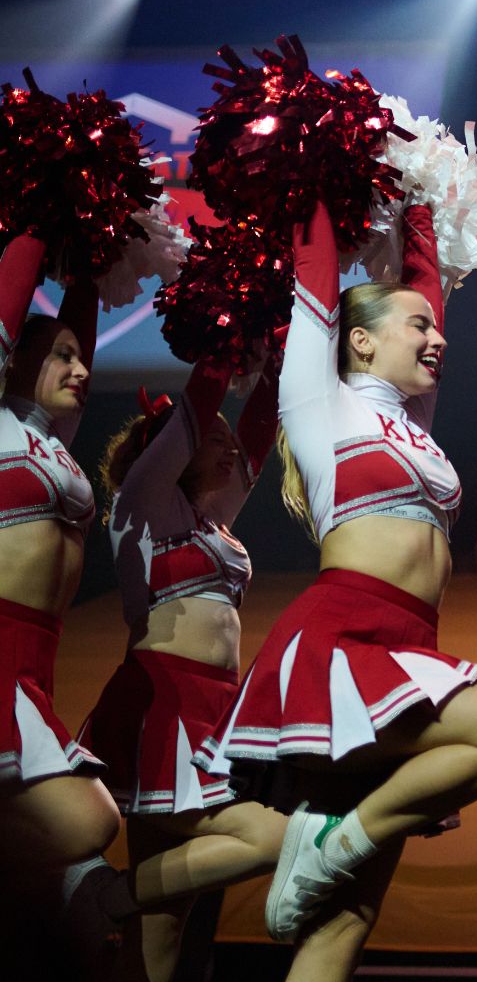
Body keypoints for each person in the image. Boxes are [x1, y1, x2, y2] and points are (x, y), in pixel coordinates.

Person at [196, 199, 477, 975]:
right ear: (357, 339)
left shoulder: (414, 423)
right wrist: (319, 174)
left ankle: (334, 842)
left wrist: (421, 196)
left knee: (341, 930)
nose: (437, 336)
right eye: (416, 327)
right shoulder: (323, 404)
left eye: (435, 326)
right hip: (344, 643)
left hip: (408, 650)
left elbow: (428, 281)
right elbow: (317, 279)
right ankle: (333, 839)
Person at [67, 357, 290, 979]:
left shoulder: (210, 522)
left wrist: (271, 370)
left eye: (224, 438)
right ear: (169, 450)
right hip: (162, 702)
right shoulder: (143, 505)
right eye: (209, 438)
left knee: (163, 929)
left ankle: (116, 906)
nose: (223, 445)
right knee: (270, 837)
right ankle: (103, 896)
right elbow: (194, 413)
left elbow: (255, 442)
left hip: (215, 709)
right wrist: (223, 339)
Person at [0, 234, 119, 933]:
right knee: (87, 821)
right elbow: (11, 297)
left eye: (82, 356)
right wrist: (43, 217)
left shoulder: (53, 440)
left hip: (34, 672)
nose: (79, 368)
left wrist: (94, 250)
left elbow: (81, 316)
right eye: (61, 355)